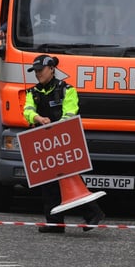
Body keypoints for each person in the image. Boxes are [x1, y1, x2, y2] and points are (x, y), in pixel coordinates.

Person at [23, 54, 105, 233]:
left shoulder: (67, 89)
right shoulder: (32, 92)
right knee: (48, 183)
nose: (37, 74)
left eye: (40, 70)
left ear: (51, 69)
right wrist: (38, 118)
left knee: (71, 180)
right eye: (35, 71)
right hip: (44, 141)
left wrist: (57, 127)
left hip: (64, 140)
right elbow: (27, 111)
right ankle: (54, 222)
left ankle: (93, 213)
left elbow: (71, 111)